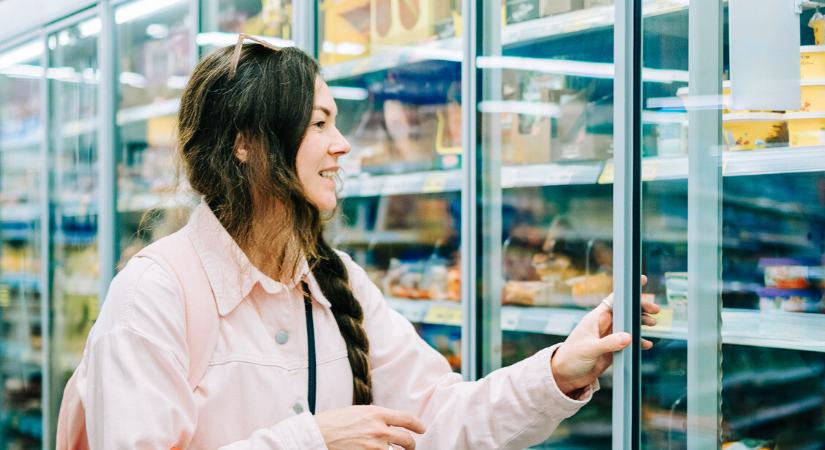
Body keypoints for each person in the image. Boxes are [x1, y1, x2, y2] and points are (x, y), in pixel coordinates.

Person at [71, 35, 659, 449]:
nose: (343, 144)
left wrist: (558, 369)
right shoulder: (155, 293)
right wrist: (314, 441)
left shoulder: (338, 279)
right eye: (320, 122)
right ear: (247, 143)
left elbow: (436, 420)